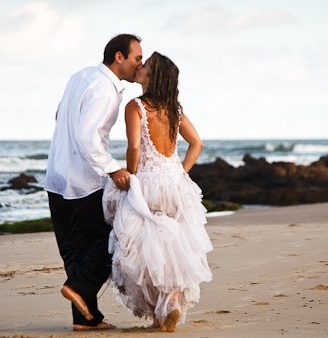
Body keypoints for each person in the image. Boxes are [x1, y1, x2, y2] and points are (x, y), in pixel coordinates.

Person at [103, 52, 213, 333]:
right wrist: (182, 173)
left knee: (141, 247)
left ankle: (157, 313)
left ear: (153, 77)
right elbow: (196, 143)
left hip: (148, 182)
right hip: (175, 183)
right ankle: (171, 304)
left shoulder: (135, 107)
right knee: (175, 245)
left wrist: (131, 177)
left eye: (145, 66)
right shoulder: (174, 110)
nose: (139, 67)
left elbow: (135, 148)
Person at [44, 33, 143, 331]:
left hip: (56, 177)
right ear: (119, 57)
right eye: (137, 57)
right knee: (114, 239)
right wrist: (113, 169)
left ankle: (85, 318)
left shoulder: (82, 76)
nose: (140, 63)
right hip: (83, 181)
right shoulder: (105, 90)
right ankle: (79, 286)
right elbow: (88, 137)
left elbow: (60, 114)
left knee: (75, 249)